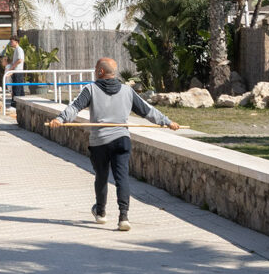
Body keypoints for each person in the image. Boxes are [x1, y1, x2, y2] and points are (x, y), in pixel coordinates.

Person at [60, 57, 181, 231]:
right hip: (122, 140)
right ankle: (123, 217)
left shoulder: (90, 89)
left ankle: (100, 213)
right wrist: (167, 121)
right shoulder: (127, 91)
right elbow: (147, 111)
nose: (95, 71)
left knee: (101, 177)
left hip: (99, 142)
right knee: (121, 178)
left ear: (101, 71)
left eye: (96, 69)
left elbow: (74, 107)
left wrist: (60, 119)